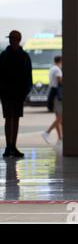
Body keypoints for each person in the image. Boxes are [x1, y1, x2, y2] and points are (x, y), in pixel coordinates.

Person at [0, 30, 32, 158]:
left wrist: (25, 91)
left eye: (13, 38)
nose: (11, 40)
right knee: (10, 119)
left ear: (17, 39)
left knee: (13, 119)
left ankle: (11, 146)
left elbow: (28, 75)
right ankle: (10, 146)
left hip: (13, 93)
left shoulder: (5, 56)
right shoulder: (22, 56)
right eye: (11, 38)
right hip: (10, 93)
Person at [41, 55, 63, 146]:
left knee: (57, 117)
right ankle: (47, 132)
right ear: (60, 61)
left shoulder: (52, 69)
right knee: (60, 118)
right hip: (57, 96)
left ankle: (60, 139)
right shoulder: (57, 70)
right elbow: (60, 81)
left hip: (53, 95)